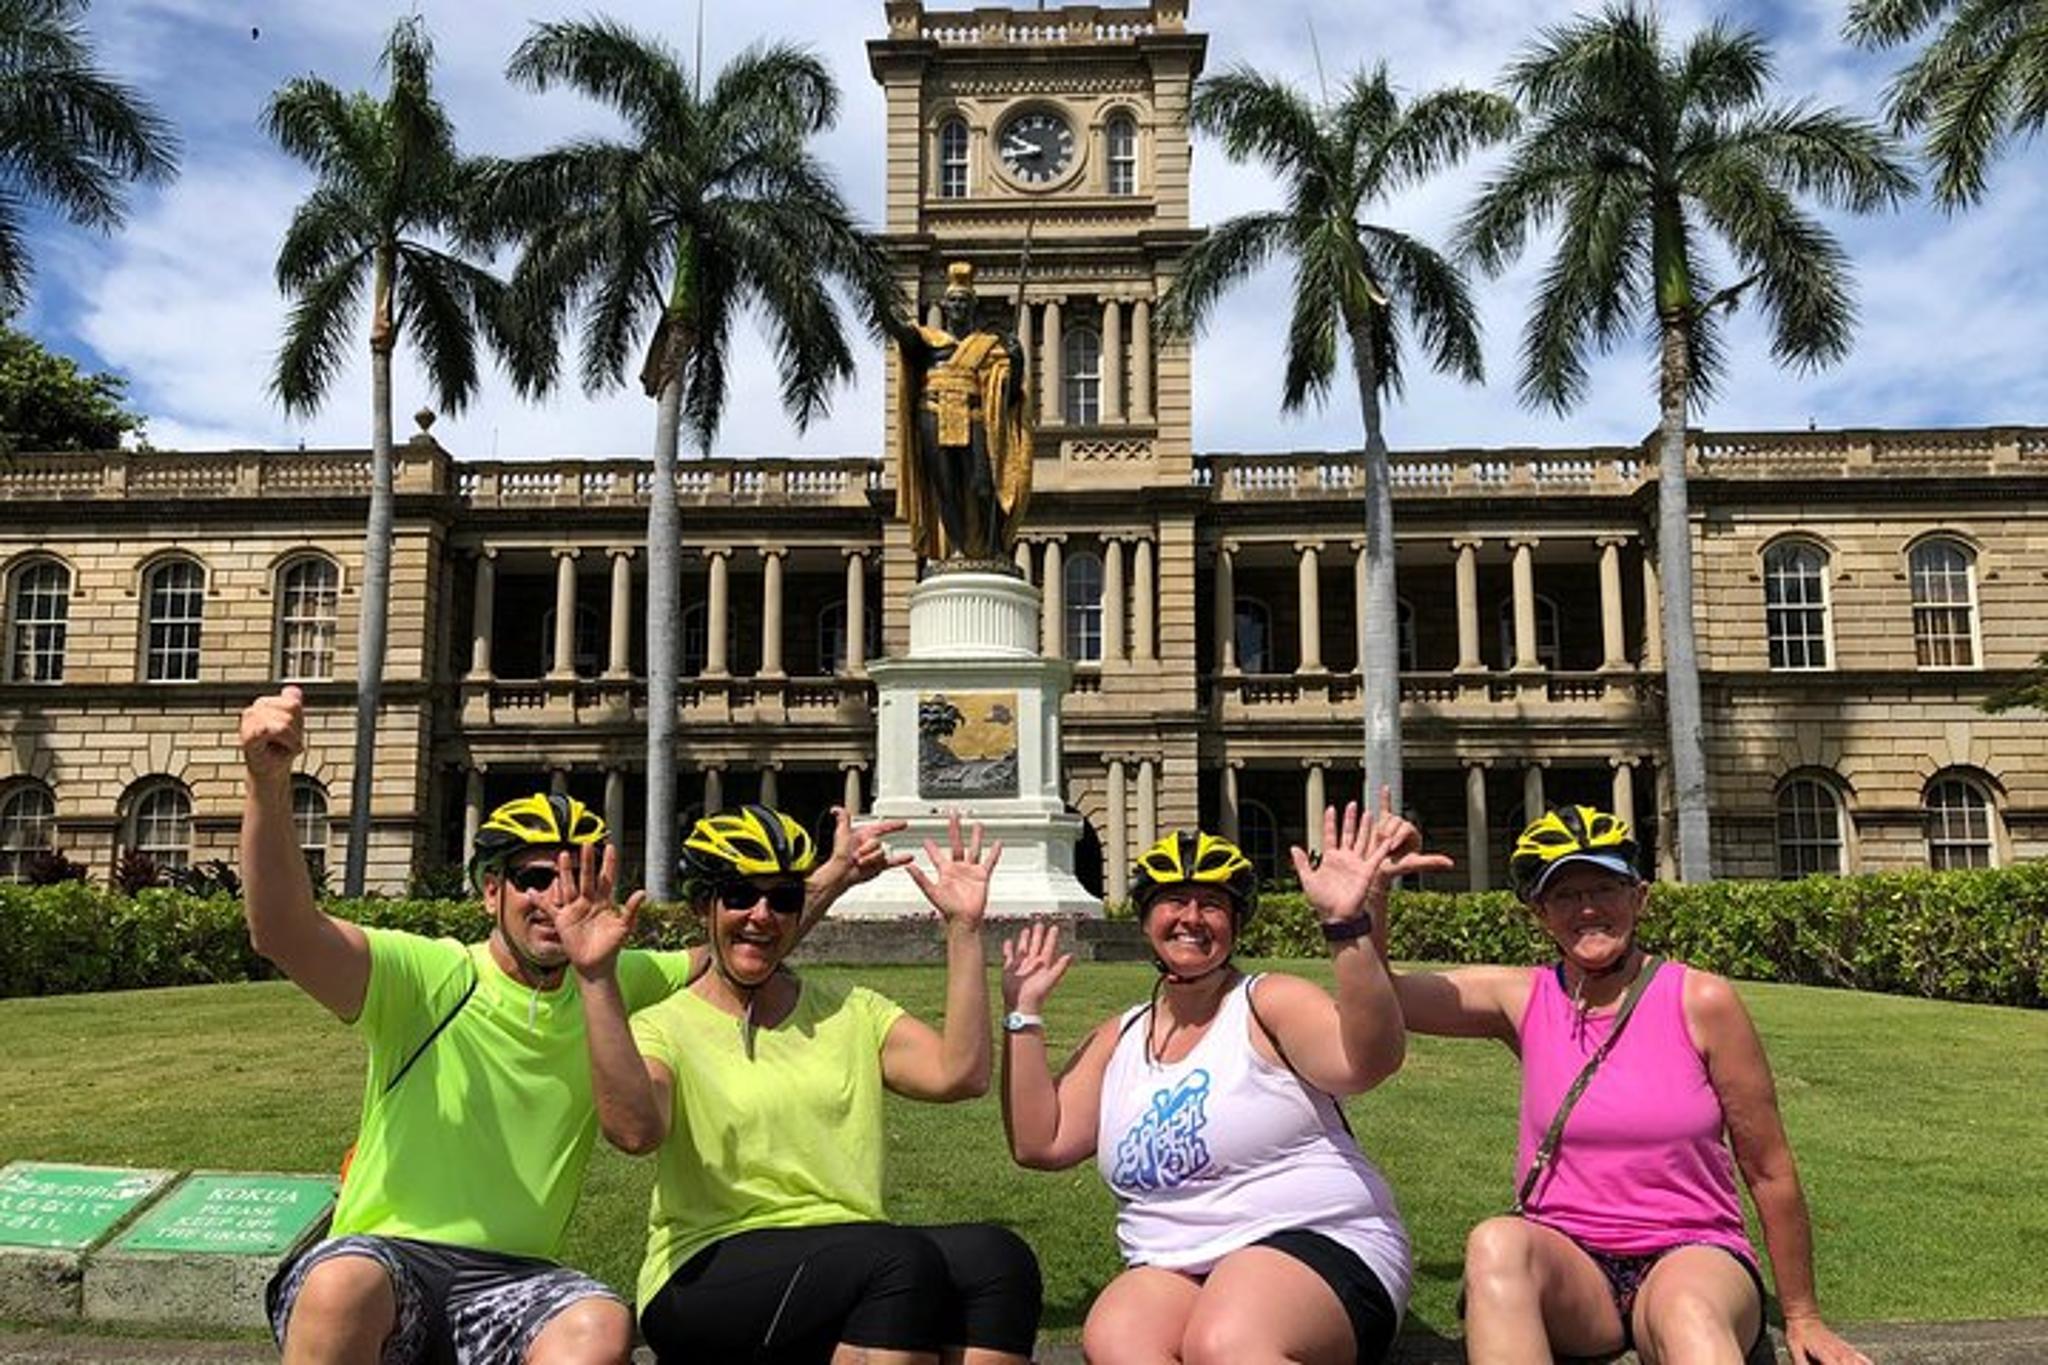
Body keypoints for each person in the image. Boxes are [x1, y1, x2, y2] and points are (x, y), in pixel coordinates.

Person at [237, 686, 902, 1365]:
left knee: (600, 1323)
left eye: (577, 877)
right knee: (340, 1282)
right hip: (386, 1259)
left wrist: (831, 876)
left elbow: (746, 940)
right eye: (533, 877)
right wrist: (268, 781)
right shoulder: (427, 975)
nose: (557, 898)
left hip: (514, 1280)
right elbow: (283, 930)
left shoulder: (612, 983)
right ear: (491, 890)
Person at [1381, 802, 1871, 1365]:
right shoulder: (1524, 999)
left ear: (1639, 897)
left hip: (1690, 1252)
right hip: (1571, 1266)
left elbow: (1768, 1166)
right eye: (1564, 894)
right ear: (1540, 912)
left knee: (1689, 1313)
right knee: (1495, 1241)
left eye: (1605, 887)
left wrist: (1803, 1317)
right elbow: (1382, 999)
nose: (1587, 908)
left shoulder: (1700, 1000)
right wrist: (1369, 898)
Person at [551, 806, 1043, 1364]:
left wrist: (964, 929)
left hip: (852, 1252)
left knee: (996, 1259)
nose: (762, 915)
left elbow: (960, 1074)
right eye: (739, 895)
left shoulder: (852, 1011)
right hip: (703, 1270)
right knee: (897, 1261)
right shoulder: (664, 1025)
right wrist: (596, 978)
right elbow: (635, 1132)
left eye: (783, 899)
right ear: (702, 907)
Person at [999, 811, 1430, 1365]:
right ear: (1146, 918)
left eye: (1212, 904)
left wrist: (1346, 928)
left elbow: (1367, 1061)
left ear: (1236, 923)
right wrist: (1023, 1014)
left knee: (1226, 1341)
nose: (1191, 918)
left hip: (1318, 1242)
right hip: (1173, 1261)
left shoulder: (1268, 1003)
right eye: (1173, 900)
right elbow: (1041, 1143)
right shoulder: (1120, 1037)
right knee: (1118, 1339)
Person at [886, 260, 1032, 563]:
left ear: (972, 306)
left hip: (973, 414)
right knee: (945, 485)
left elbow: (1009, 395)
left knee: (981, 483)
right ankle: (956, 549)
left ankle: (993, 549)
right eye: (952, 301)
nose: (958, 306)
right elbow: (903, 336)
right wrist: (882, 306)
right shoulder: (929, 341)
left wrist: (1017, 363)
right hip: (933, 412)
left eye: (964, 301)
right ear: (945, 305)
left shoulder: (987, 346)